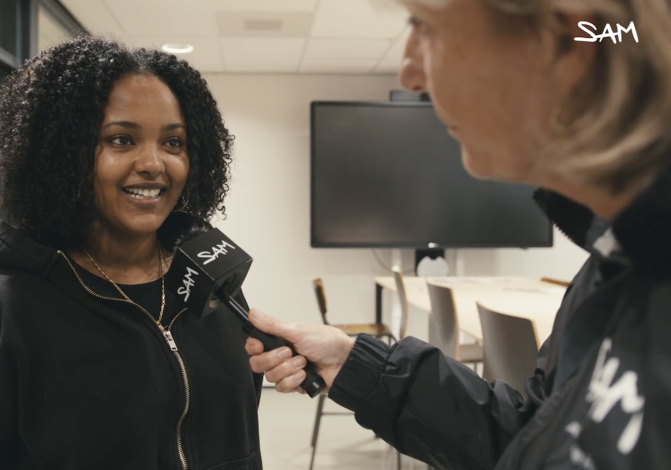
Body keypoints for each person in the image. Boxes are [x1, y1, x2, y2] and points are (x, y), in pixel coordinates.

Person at [246, 0, 671, 468]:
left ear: (565, 42)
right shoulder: (613, 267)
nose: (410, 74)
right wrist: (354, 363)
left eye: (427, 29)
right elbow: (526, 434)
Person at [0, 36, 263, 469]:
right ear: (63, 153)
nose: (153, 163)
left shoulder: (209, 281)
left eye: (173, 143)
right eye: (121, 140)